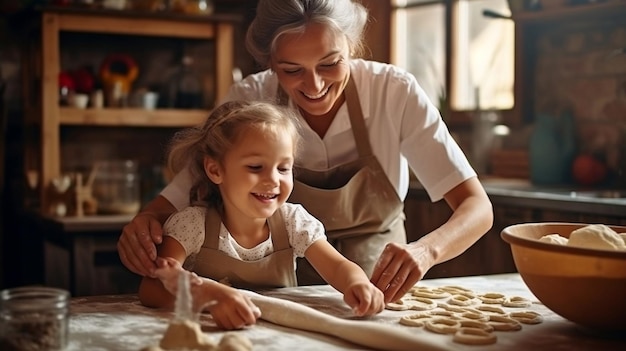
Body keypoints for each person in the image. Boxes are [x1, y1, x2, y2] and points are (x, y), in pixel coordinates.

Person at [119, 0, 493, 304]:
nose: (314, 86)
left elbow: (477, 208)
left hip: (373, 285)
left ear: (353, 47)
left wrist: (427, 251)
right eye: (291, 70)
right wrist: (144, 224)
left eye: (330, 64)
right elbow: (183, 191)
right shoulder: (250, 98)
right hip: (277, 292)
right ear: (269, 63)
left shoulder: (393, 92)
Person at [137, 100, 385, 330]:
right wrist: (207, 297)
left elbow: (338, 267)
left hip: (281, 338)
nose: (273, 180)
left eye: (283, 168)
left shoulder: (293, 222)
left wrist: (357, 284)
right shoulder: (192, 225)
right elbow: (152, 288)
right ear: (215, 169)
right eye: (256, 167)